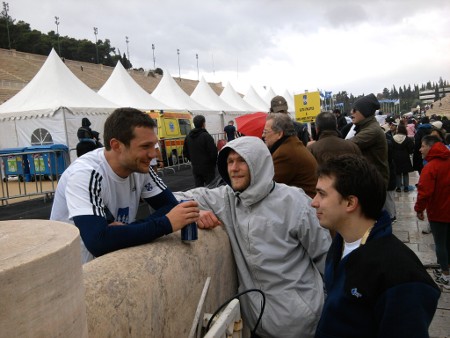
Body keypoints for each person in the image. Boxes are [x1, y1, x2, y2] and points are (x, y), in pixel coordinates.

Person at [176, 136, 332, 338]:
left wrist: (329, 307)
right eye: (230, 161)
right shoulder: (227, 199)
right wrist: (196, 212)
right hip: (258, 325)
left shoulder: (293, 201)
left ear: (258, 163)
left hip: (302, 324)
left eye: (242, 161)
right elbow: (175, 198)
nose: (234, 168)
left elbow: (326, 256)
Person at [312, 154, 440, 338]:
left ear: (350, 202)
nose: (313, 202)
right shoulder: (340, 244)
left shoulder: (401, 275)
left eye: (321, 194)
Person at [50, 108, 200, 264]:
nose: (153, 154)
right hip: (74, 271)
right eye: (145, 146)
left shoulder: (141, 168)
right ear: (116, 145)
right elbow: (99, 242)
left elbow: (170, 206)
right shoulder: (85, 174)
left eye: (154, 146)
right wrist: (166, 223)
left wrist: (125, 231)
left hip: (107, 263)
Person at [414, 135, 450, 289]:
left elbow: (424, 192)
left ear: (430, 146)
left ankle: (445, 276)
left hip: (439, 211)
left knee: (440, 244)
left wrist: (419, 209)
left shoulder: (431, 167)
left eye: (422, 146)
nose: (420, 149)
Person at [263, 113, 318, 197]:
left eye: (266, 132)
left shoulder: (285, 153)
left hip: (304, 205)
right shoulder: (291, 144)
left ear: (279, 134)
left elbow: (267, 187)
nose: (263, 135)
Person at [347, 94, 389, 187]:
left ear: (364, 112)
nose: (351, 112)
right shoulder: (365, 127)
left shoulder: (372, 130)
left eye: (354, 110)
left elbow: (348, 145)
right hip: (371, 180)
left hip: (374, 183)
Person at [183, 115, 218, 187]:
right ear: (203, 124)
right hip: (208, 167)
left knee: (199, 190)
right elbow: (213, 152)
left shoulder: (188, 137)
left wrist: (193, 160)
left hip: (196, 167)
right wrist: (213, 163)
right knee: (211, 188)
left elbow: (185, 152)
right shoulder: (206, 136)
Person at [392, 123, 414, 192]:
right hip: (405, 157)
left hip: (395, 157)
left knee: (398, 172)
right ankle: (406, 187)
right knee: (405, 172)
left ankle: (398, 187)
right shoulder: (407, 139)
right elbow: (411, 149)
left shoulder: (393, 138)